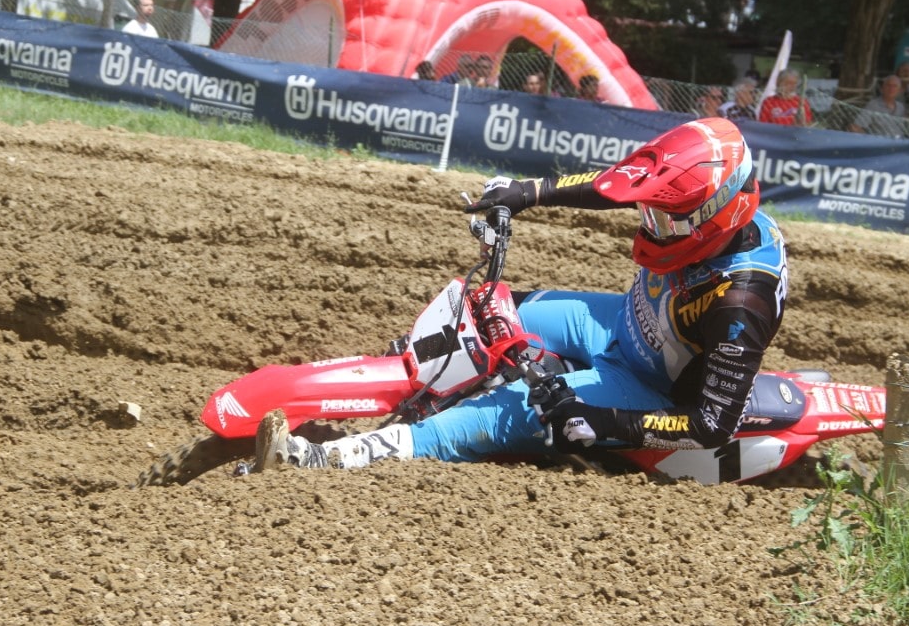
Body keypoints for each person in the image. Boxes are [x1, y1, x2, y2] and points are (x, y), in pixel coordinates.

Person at [254, 117, 789, 473]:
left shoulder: (741, 305)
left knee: (498, 412)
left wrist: (599, 421)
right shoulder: (703, 201)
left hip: (648, 384)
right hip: (618, 323)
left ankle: (331, 459)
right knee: (479, 315)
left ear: (716, 216)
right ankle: (384, 376)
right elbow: (620, 184)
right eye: (651, 214)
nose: (652, 227)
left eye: (666, 221)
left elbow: (712, 426)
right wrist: (530, 192)